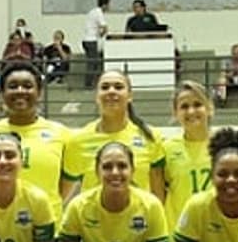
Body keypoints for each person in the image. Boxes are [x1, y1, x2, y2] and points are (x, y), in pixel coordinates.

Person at [0, 61, 72, 227]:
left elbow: (66, 186)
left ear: (40, 92)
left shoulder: (62, 135)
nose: (20, 91)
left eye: (27, 86)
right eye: (13, 86)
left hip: (48, 233)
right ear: (2, 93)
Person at [58, 142, 167, 242]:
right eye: (107, 167)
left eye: (122, 166)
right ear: (97, 171)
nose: (115, 172)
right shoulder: (79, 207)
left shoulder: (151, 206)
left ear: (132, 170)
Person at [62, 70, 165, 202]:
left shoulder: (150, 137)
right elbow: (65, 196)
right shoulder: (77, 141)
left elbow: (158, 196)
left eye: (118, 87)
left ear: (130, 96)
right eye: (104, 87)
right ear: (96, 96)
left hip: (137, 220)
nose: (111, 91)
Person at [162, 82, 213, 242]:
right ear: (175, 113)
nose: (191, 111)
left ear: (209, 107)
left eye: (197, 104)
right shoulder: (166, 149)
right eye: (184, 106)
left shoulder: (224, 145)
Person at [82, 0, 109, 87]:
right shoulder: (99, 12)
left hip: (86, 40)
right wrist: (101, 36)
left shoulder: (92, 12)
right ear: (105, 5)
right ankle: (89, 84)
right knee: (93, 63)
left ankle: (91, 83)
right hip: (91, 40)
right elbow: (105, 27)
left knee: (93, 62)